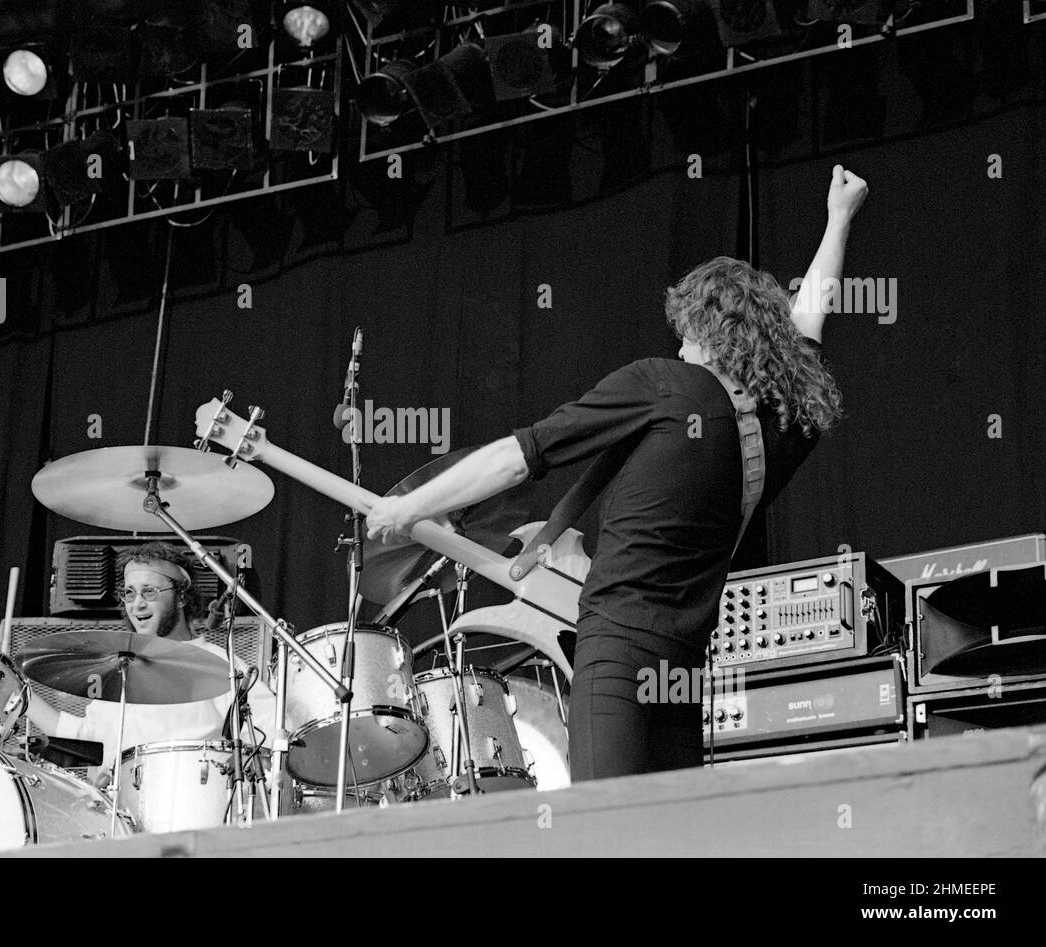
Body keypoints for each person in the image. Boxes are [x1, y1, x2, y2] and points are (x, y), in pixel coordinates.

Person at [366, 165, 869, 781]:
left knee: (605, 834)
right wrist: (839, 219)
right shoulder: (784, 426)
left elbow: (521, 455)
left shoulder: (662, 385)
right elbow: (810, 325)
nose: (680, 350)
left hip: (618, 658)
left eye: (685, 336)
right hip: (683, 669)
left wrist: (407, 508)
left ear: (706, 334)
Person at [25, 542, 279, 791]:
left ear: (181, 597)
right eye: (129, 593)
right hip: (120, 820)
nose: (137, 604)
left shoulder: (221, 666)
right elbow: (86, 738)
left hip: (196, 815)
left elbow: (272, 737)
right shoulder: (117, 668)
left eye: (149, 592)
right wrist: (20, 698)